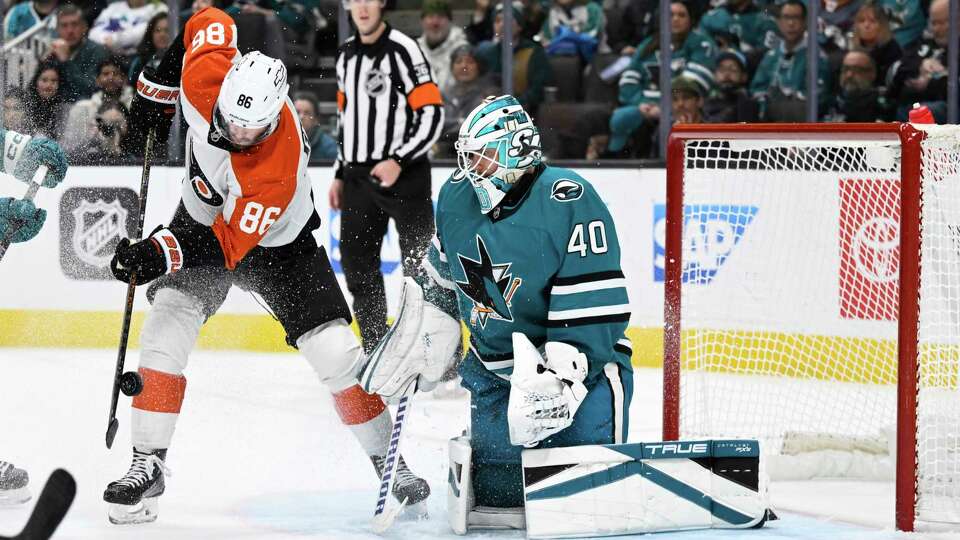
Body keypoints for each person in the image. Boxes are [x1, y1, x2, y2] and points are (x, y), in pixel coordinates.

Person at [101, 6, 429, 525]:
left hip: (279, 247)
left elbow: (225, 247)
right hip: (202, 213)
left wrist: (157, 252)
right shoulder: (207, 76)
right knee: (166, 327)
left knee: (336, 356)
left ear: (276, 117)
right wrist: (158, 86)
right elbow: (206, 20)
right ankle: (148, 464)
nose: (234, 134)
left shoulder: (272, 170)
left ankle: (393, 463)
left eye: (250, 130)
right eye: (229, 121)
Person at [360, 94, 632, 527]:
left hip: (580, 369)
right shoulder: (454, 196)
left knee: (580, 505)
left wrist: (561, 375)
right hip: (492, 370)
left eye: (481, 157)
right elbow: (442, 281)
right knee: (500, 507)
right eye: (467, 157)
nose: (470, 169)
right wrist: (422, 337)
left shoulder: (568, 197)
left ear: (516, 151)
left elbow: (594, 301)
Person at [331, 0, 443, 352]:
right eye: (355, 0)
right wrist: (338, 171)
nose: (362, 7)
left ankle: (441, 357)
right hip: (358, 179)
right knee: (357, 264)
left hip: (405, 177)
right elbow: (345, 119)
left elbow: (432, 114)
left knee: (423, 269)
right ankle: (377, 349)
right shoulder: (345, 55)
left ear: (382, 3)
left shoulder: (404, 49)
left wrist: (398, 158)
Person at [606, 0, 715, 157]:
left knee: (674, 124)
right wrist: (641, 104)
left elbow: (696, 81)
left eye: (681, 15)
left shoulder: (701, 43)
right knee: (620, 118)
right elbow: (628, 81)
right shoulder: (647, 45)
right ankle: (617, 164)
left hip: (680, 106)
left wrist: (664, 107)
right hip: (646, 106)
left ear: (690, 19)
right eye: (670, 15)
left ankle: (667, 166)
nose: (675, 19)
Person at [749, 0, 831, 121]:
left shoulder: (817, 58)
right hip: (769, 123)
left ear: (805, 22)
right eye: (786, 17)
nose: (791, 23)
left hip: (801, 125)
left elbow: (818, 99)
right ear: (779, 22)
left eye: (796, 18)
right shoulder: (771, 56)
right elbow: (757, 90)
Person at [474, 2, 552, 115]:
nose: (502, 25)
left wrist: (510, 106)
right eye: (497, 21)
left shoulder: (534, 53)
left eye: (507, 20)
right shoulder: (486, 54)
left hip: (524, 113)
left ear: (519, 26)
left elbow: (537, 91)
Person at [436, 44, 499, 158]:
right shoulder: (442, 95)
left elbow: (477, 128)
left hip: (477, 157)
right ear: (451, 67)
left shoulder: (489, 95)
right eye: (458, 62)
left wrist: (451, 127)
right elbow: (436, 124)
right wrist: (461, 123)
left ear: (479, 67)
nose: (464, 66)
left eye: (470, 62)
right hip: (443, 157)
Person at [62, 55, 133, 154]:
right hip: (93, 163)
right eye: (105, 74)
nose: (110, 77)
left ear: (124, 79)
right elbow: (71, 145)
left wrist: (126, 127)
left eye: (116, 73)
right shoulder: (83, 108)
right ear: (97, 80)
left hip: (132, 162)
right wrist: (96, 127)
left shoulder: (135, 107)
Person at [44, 3, 109, 102]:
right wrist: (44, 60)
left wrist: (66, 61)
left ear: (84, 27)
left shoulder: (97, 51)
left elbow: (90, 90)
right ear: (57, 30)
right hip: (56, 109)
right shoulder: (54, 50)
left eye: (74, 24)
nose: (70, 30)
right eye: (64, 26)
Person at [417, 0, 468, 98]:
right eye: (430, 17)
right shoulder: (414, 50)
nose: (435, 23)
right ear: (422, 22)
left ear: (450, 21)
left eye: (440, 17)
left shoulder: (463, 50)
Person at [848, 1, 901, 87]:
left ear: (882, 25)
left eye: (872, 21)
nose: (866, 25)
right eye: (862, 21)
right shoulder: (850, 47)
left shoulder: (892, 49)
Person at [89, 0, 168, 57]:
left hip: (136, 56)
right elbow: (92, 32)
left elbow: (143, 32)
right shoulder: (113, 7)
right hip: (106, 54)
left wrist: (114, 39)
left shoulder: (158, 8)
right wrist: (104, 40)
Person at [829, 49, 891, 122]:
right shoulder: (829, 104)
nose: (849, 75)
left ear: (873, 74)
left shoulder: (884, 108)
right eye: (845, 69)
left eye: (857, 70)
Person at [703, 48, 760, 123]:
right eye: (722, 69)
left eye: (733, 69)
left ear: (744, 76)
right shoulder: (706, 103)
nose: (726, 74)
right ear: (715, 75)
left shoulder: (749, 104)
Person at [23, 60, 69, 139]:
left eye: (54, 81)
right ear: (36, 82)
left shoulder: (64, 109)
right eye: (44, 80)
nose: (48, 85)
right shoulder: (26, 104)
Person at [127, 11, 171, 85]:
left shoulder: (183, 58)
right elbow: (132, 85)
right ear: (151, 33)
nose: (162, 34)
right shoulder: (140, 61)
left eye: (167, 30)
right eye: (157, 30)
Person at [292, 91, 337, 163]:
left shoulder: (328, 147)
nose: (301, 117)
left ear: (316, 119)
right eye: (297, 112)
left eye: (307, 113)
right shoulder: (283, 143)